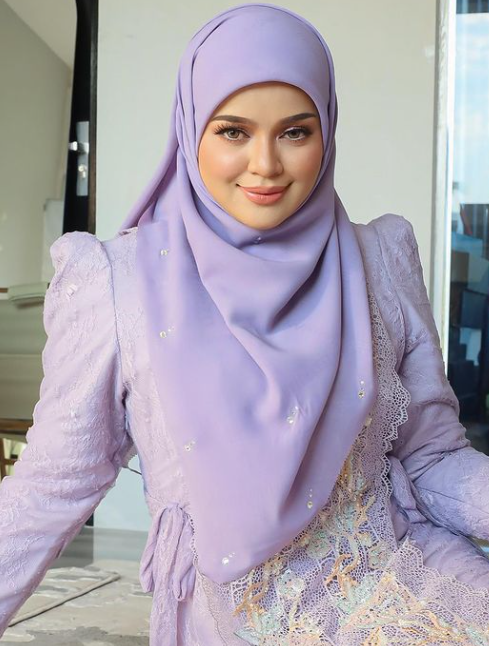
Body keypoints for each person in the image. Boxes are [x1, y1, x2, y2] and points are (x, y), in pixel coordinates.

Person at [1, 3, 489, 644]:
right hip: (239, 614)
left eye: (295, 132)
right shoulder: (116, 283)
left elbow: (432, 459)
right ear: (190, 129)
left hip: (408, 571)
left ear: (327, 131)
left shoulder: (379, 260)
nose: (265, 164)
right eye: (233, 131)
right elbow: (51, 486)